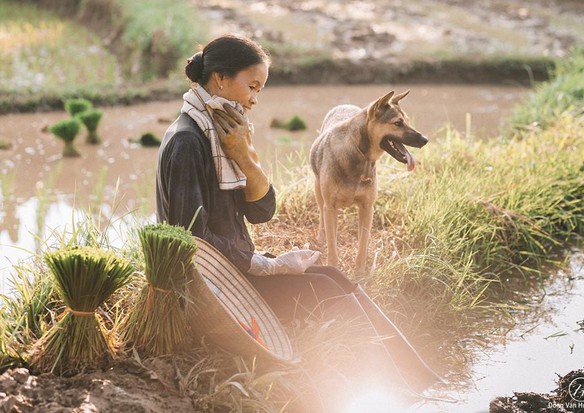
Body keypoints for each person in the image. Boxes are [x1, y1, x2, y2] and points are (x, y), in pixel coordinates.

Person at [155, 33, 440, 396]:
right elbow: (190, 241)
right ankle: (398, 392)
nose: (255, 99)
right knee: (328, 292)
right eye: (252, 86)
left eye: (260, 89)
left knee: (335, 277)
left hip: (237, 268)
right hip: (215, 289)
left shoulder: (224, 135)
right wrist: (268, 265)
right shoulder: (187, 141)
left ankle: (422, 380)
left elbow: (263, 211)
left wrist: (244, 155)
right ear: (221, 78)